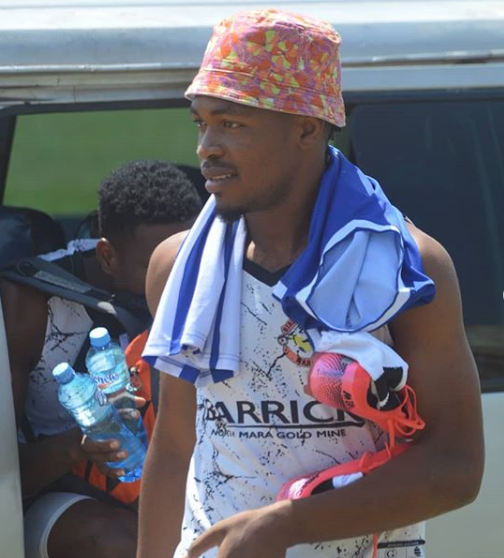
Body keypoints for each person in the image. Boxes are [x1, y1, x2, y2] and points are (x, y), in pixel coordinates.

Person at [137, 10, 484, 558]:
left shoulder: (407, 270)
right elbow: (178, 443)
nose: (206, 146)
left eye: (232, 124)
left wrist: (288, 525)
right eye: (200, 122)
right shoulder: (179, 266)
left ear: (306, 127)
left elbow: (456, 466)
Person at [0, 160, 203, 558]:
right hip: (60, 490)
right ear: (107, 255)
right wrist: (78, 448)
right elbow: (7, 472)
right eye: (156, 265)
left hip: (173, 474)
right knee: (122, 543)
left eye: (189, 262)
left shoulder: (210, 283)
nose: (178, 280)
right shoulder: (29, 302)